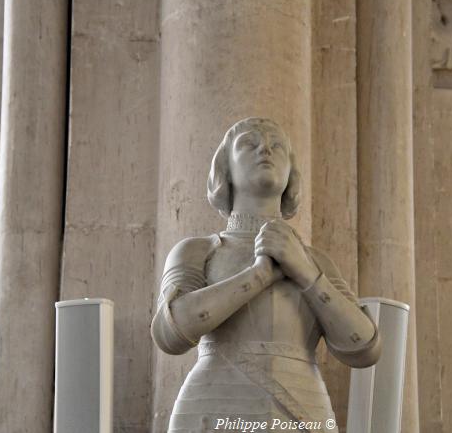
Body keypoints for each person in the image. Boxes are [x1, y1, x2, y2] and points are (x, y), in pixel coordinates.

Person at [151, 117, 380, 432]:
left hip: (301, 403)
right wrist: (258, 275)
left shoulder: (314, 261)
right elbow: (170, 332)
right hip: (213, 405)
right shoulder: (199, 250)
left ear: (290, 173)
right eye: (249, 143)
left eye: (277, 147)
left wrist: (306, 274)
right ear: (226, 168)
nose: (265, 150)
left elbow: (364, 347)